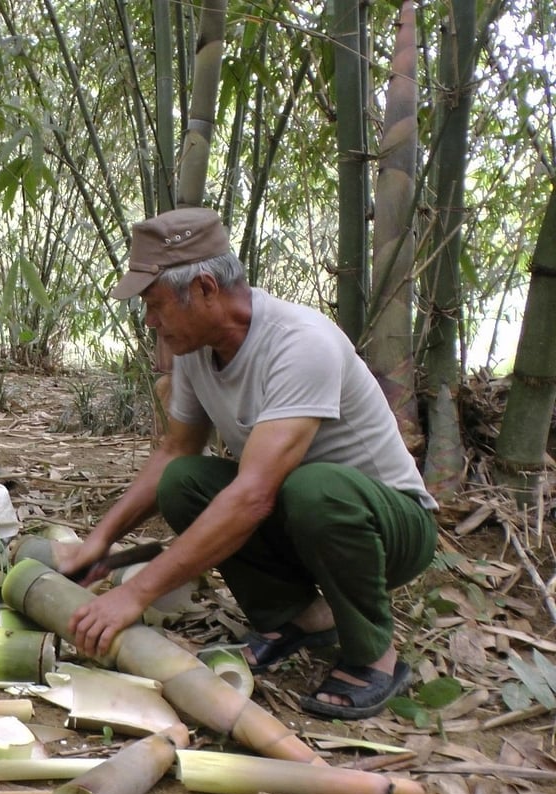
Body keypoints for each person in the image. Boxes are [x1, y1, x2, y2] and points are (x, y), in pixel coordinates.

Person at [59, 207, 438, 720]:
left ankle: (376, 655)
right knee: (185, 482)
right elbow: (176, 451)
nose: (150, 321)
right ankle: (298, 617)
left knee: (313, 488)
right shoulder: (195, 350)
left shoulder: (300, 343)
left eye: (155, 304)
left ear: (206, 288)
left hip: (389, 526)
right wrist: (101, 540)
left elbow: (255, 493)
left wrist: (137, 594)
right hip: (301, 518)